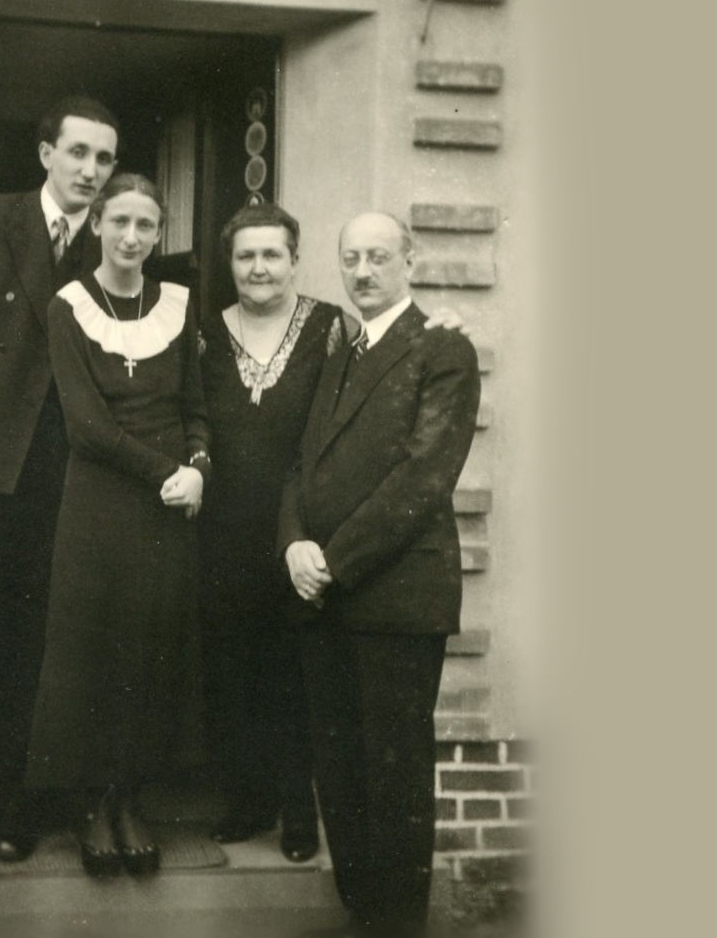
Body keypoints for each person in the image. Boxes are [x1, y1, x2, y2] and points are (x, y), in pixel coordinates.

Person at [0, 96, 119, 866]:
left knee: (41, 647)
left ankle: (15, 808)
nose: (91, 172)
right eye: (78, 154)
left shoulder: (111, 236)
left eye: (104, 159)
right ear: (47, 154)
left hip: (66, 473)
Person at [279, 212, 482, 938]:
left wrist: (333, 560)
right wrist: (295, 542)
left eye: (378, 257)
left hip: (393, 599)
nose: (362, 271)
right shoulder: (341, 346)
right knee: (340, 776)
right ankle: (360, 918)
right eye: (350, 259)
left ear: (410, 260)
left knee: (392, 783)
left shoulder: (442, 348)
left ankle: (395, 926)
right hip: (323, 596)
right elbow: (304, 463)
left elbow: (422, 476)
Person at [25, 173, 211, 879]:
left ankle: (131, 801)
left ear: (159, 234)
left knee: (147, 656)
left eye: (146, 226)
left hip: (166, 509)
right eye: (120, 223)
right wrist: (167, 468)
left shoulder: (179, 304)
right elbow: (87, 427)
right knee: (91, 658)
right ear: (97, 225)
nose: (132, 238)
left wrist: (199, 465)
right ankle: (91, 807)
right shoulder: (68, 307)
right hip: (99, 505)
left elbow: (197, 405)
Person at [194, 204, 345, 863]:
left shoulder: (331, 328)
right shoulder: (203, 331)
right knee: (233, 670)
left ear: (294, 259)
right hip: (222, 532)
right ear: (231, 265)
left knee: (297, 674)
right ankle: (247, 802)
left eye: (271, 255)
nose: (258, 268)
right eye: (245, 256)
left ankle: (298, 812)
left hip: (298, 529)